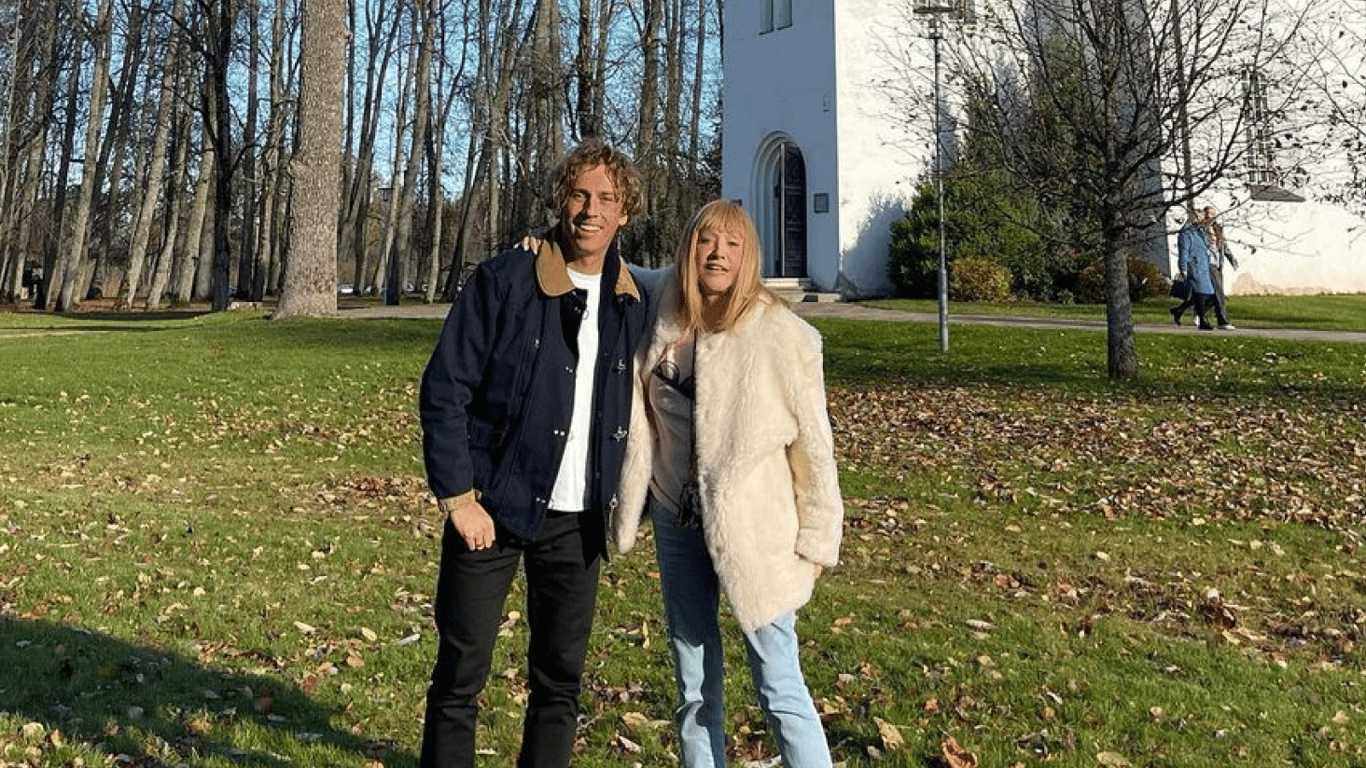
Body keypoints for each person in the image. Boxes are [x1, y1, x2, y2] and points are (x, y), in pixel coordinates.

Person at [417, 139, 649, 768]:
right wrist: (459, 499)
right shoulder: (505, 280)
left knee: (559, 683)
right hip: (492, 508)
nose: (591, 210)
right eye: (579, 194)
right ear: (559, 200)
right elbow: (444, 391)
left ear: (625, 211)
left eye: (606, 198)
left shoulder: (632, 299)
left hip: (578, 522)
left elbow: (702, 288)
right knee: (460, 676)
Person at [614, 199, 845, 768]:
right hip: (675, 516)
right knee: (693, 681)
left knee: (777, 681)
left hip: (756, 529)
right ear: (688, 249)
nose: (717, 255)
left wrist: (819, 538)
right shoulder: (663, 302)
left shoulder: (784, 336)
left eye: (732, 244)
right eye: (706, 241)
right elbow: (608, 264)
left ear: (749, 256)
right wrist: (544, 243)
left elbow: (815, 447)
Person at [1169, 206, 1234, 331]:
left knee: (1205, 294)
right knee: (1208, 294)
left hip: (1209, 265)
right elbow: (1185, 251)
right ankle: (1213, 320)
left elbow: (1222, 245)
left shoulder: (1208, 230)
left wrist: (1229, 257)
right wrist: (1183, 268)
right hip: (1200, 266)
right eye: (1208, 214)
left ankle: (1181, 310)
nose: (1211, 217)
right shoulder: (1192, 232)